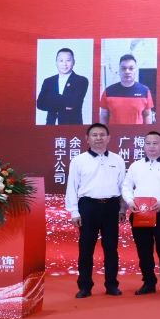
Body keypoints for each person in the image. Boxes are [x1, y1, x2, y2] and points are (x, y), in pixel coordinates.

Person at [65, 123, 126, 298]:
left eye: (102, 135)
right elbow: (72, 187)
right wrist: (74, 211)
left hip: (111, 206)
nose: (98, 138)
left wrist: (122, 208)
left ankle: (112, 285)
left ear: (108, 138)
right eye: (94, 135)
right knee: (86, 248)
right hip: (88, 206)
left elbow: (122, 186)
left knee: (111, 248)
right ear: (87, 138)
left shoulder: (117, 159)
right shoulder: (78, 160)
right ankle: (85, 286)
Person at [121, 130, 160, 295]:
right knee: (144, 250)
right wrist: (130, 202)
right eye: (148, 143)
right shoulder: (136, 166)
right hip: (139, 213)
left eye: (155, 143)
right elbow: (126, 186)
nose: (151, 146)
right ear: (144, 146)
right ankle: (148, 282)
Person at [37, 47, 89, 125]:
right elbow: (40, 104)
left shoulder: (81, 80)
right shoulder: (48, 81)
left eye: (68, 60)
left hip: (72, 126)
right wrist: (64, 103)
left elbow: (72, 103)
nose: (64, 64)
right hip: (50, 125)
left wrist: (51, 99)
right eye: (61, 60)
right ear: (56, 62)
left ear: (74, 62)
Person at [99, 54, 155, 125]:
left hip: (137, 132)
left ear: (135, 70)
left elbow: (147, 115)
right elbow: (104, 116)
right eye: (123, 68)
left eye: (131, 68)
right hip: (115, 132)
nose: (127, 71)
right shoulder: (108, 92)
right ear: (119, 71)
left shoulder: (145, 91)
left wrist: (148, 130)